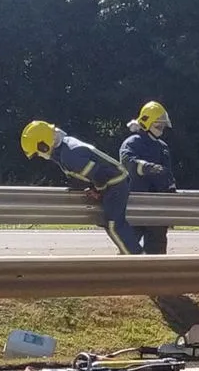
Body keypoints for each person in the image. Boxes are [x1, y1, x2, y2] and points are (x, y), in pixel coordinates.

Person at [20, 120, 143, 255]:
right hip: (112, 183)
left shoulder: (69, 155)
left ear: (43, 146)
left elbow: (99, 174)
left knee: (114, 225)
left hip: (115, 183)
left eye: (37, 153)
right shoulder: (64, 148)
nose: (40, 156)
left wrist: (98, 190)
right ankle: (130, 253)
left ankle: (137, 259)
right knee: (108, 222)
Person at [119, 100, 177, 255]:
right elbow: (128, 163)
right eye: (158, 125)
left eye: (163, 125)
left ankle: (155, 278)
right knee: (128, 249)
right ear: (146, 123)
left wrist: (171, 202)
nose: (161, 129)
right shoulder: (131, 143)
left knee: (156, 250)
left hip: (158, 207)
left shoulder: (162, 147)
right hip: (134, 203)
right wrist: (148, 167)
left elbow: (168, 177)